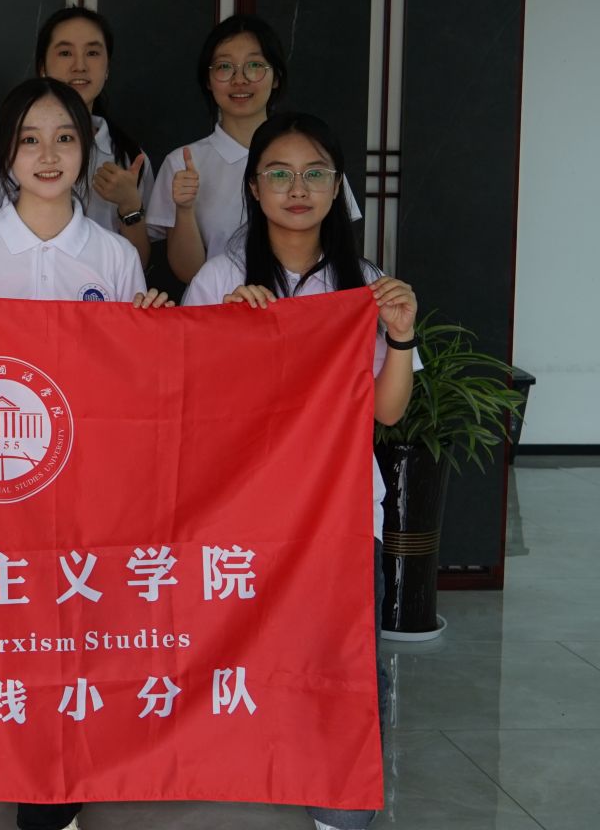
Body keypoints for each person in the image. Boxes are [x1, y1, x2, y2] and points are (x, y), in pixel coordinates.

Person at [0, 76, 170, 830]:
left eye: (65, 137)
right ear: (4, 155)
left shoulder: (115, 257)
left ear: (87, 149)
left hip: (85, 490)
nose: (49, 154)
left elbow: (137, 391)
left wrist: (152, 326)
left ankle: (58, 788)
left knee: (72, 633)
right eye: (29, 140)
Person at [181, 110, 417, 830]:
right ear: (253, 188)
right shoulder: (221, 278)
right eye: (279, 173)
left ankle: (338, 801)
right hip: (241, 512)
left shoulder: (364, 285)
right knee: (238, 649)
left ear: (337, 187)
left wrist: (401, 338)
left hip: (338, 510)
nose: (297, 189)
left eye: (316, 173)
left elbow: (387, 413)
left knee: (342, 657)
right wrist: (228, 330)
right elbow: (188, 405)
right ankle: (241, 770)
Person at [146, 15, 359, 284]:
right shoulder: (183, 162)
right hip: (218, 304)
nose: (240, 79)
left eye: (255, 65)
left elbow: (341, 249)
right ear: (208, 80)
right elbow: (190, 274)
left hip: (301, 305)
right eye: (225, 67)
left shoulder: (313, 155)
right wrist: (185, 209)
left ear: (276, 77)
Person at [0, 7, 153, 264]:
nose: (80, 66)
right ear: (42, 67)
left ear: (107, 67)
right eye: (65, 53)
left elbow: (137, 267)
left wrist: (130, 206)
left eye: (92, 53)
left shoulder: (130, 157)